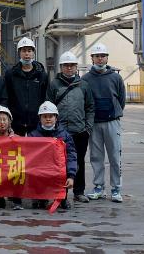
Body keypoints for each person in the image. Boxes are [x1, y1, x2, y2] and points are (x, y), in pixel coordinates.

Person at [48, 50, 94, 207]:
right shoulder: (54, 85)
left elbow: (90, 107)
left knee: (79, 161)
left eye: (72, 65)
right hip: (60, 132)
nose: (69, 68)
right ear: (61, 67)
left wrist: (88, 128)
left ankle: (79, 192)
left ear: (76, 67)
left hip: (79, 131)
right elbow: (48, 107)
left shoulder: (84, 85)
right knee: (59, 163)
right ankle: (61, 193)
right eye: (66, 65)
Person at [82, 43, 126, 203]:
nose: (100, 59)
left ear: (107, 58)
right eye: (97, 56)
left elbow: (121, 100)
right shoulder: (86, 79)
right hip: (94, 123)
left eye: (103, 56)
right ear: (92, 58)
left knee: (114, 156)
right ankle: (99, 187)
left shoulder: (116, 78)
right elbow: (85, 100)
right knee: (96, 156)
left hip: (112, 122)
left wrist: (113, 112)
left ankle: (116, 189)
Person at [29, 101, 77, 210]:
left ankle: (62, 198)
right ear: (40, 118)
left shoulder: (65, 135)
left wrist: (71, 176)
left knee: (64, 169)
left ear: (56, 118)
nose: (48, 119)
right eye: (45, 116)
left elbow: (71, 155)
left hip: (58, 169)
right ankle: (40, 197)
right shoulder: (33, 136)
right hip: (41, 169)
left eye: (51, 116)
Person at [4, 37, 49, 135]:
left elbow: (45, 98)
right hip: (15, 122)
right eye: (24, 51)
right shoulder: (10, 74)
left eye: (29, 51)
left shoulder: (42, 75)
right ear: (19, 53)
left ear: (33, 53)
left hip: (36, 122)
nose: (27, 54)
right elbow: (7, 97)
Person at [0, 105, 18, 209]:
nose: (2, 122)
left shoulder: (17, 139)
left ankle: (16, 199)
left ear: (9, 122)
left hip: (11, 170)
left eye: (4, 119)